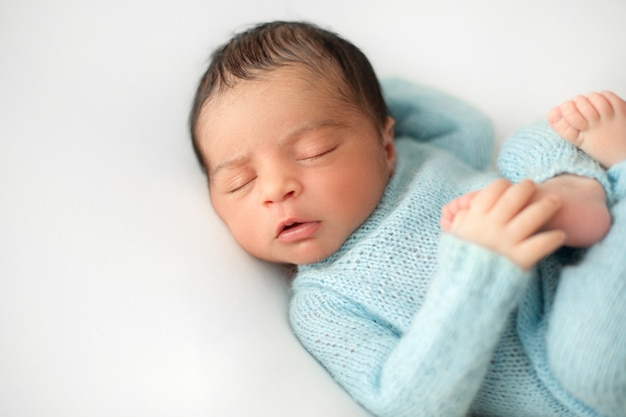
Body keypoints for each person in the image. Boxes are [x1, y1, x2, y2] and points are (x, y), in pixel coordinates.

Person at [189, 21, 626, 417]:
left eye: (314, 151)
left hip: (587, 272)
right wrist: (480, 271)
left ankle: (573, 189)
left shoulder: (421, 157)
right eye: (240, 182)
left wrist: (351, 90)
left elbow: (467, 123)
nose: (274, 190)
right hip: (580, 378)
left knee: (527, 143)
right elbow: (408, 404)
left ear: (386, 144)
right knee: (585, 364)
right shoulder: (324, 306)